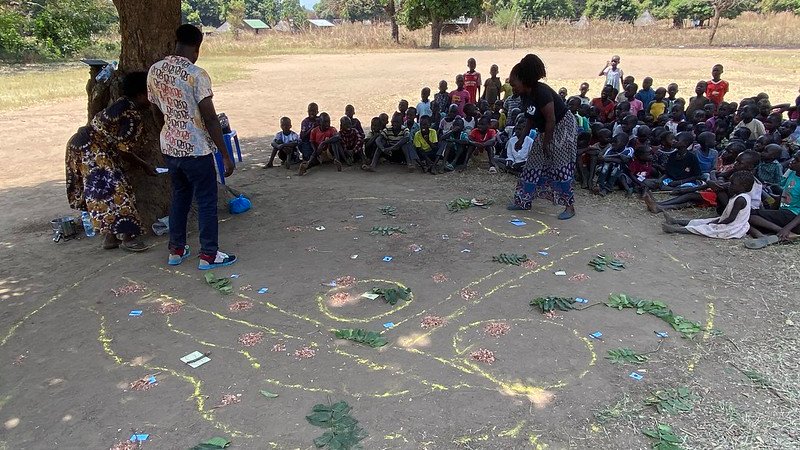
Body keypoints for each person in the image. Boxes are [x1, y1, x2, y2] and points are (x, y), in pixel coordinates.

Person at [148, 24, 236, 269]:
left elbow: (155, 109)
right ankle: (209, 255)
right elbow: (209, 118)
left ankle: (176, 250)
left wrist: (168, 132)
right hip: (196, 149)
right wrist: (225, 154)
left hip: (170, 147)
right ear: (197, 48)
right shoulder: (196, 74)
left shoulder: (155, 71)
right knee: (206, 200)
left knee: (179, 197)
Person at [66, 71, 154, 252]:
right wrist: (144, 165)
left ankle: (110, 237)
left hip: (80, 146)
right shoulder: (131, 115)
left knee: (104, 195)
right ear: (140, 94)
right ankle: (129, 238)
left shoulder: (121, 103)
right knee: (120, 194)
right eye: (151, 93)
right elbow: (124, 150)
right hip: (93, 152)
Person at [507, 54, 576, 220]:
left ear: (524, 80)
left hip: (562, 127)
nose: (512, 88)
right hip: (547, 128)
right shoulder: (526, 95)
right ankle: (523, 200)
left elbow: (551, 119)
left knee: (559, 166)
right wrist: (522, 139)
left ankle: (569, 206)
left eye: (514, 84)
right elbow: (531, 118)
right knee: (533, 163)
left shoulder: (542, 92)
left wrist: (546, 143)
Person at [662, 171, 755, 239]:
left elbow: (731, 219)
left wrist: (717, 223)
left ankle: (675, 229)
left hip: (733, 227)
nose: (729, 185)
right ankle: (675, 221)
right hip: (728, 222)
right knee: (702, 221)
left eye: (733, 184)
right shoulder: (738, 196)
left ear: (743, 186)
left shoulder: (740, 199)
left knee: (705, 228)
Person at [747, 153, 800, 246]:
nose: (792, 161)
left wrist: (787, 228)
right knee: (744, 221)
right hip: (784, 212)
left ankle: (783, 232)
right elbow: (786, 194)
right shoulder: (792, 172)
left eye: (797, 160)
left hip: (793, 216)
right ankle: (764, 236)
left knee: (749, 215)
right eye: (793, 158)